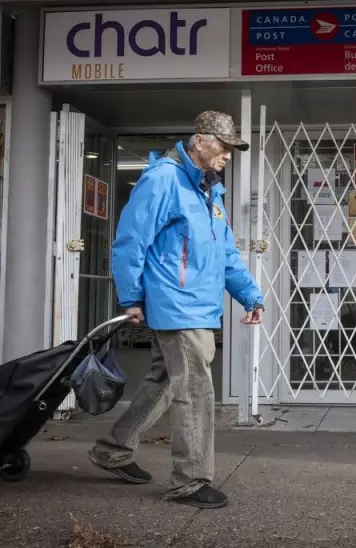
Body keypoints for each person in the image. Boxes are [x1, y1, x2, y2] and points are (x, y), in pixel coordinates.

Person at [89, 111, 264, 509]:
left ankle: (111, 450)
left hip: (198, 305)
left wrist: (251, 296)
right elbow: (131, 241)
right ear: (200, 140)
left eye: (231, 150)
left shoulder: (208, 192)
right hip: (178, 304)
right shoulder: (163, 179)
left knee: (164, 382)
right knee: (195, 391)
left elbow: (226, 256)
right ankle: (190, 481)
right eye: (223, 147)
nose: (227, 156)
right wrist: (131, 298)